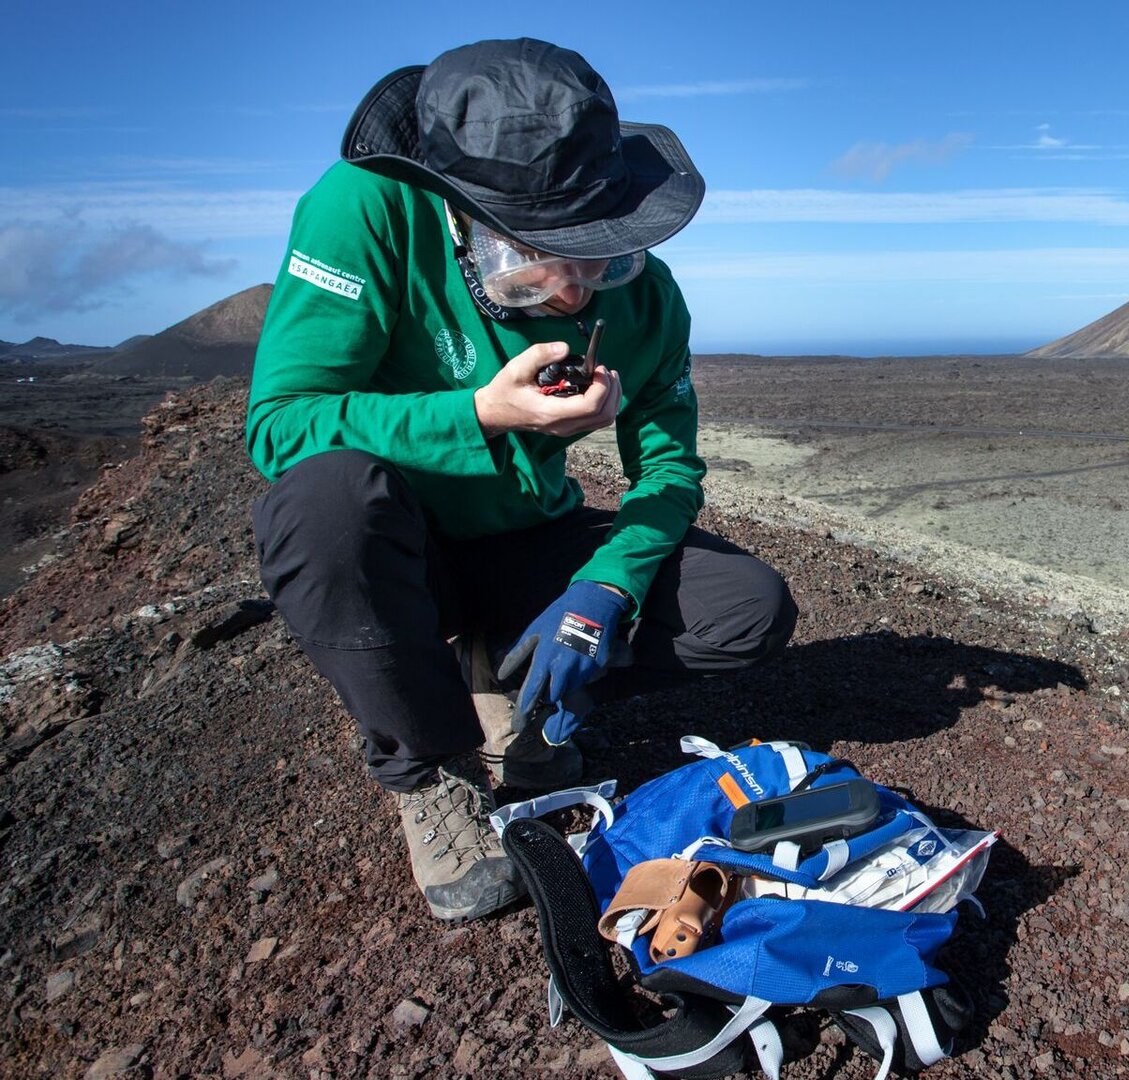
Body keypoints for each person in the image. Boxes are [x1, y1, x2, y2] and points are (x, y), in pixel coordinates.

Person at [245, 39, 798, 922]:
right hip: (400, 549)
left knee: (748, 609)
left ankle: (506, 670)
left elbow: (668, 464)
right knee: (322, 504)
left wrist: (601, 592)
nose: (578, 291)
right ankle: (428, 766)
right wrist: (480, 416)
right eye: (544, 254)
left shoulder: (647, 299)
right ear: (466, 215)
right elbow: (279, 428)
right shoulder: (365, 209)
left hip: (520, 538)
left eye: (604, 251)